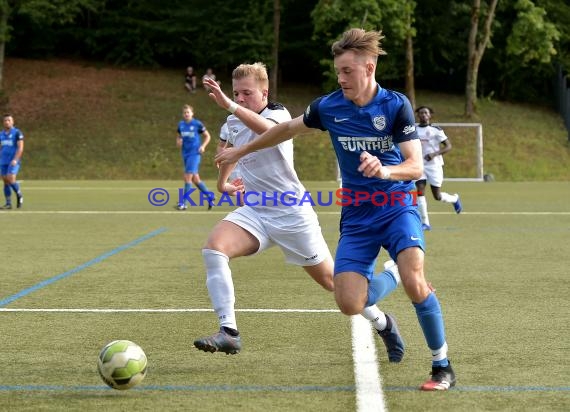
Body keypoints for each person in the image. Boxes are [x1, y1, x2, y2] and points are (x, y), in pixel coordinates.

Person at [215, 29, 456, 391]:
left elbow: (416, 166)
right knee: (348, 302)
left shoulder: (395, 105)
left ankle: (442, 366)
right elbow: (285, 131)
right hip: (357, 216)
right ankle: (391, 274)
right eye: (338, 72)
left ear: (369, 68)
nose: (341, 78)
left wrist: (385, 170)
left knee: (416, 283)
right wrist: (238, 152)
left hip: (395, 206)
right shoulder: (328, 106)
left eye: (347, 71)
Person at [194, 63, 404, 364]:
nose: (240, 99)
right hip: (255, 209)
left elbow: (269, 133)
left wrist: (227, 104)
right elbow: (226, 149)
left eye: (247, 93)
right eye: (236, 93)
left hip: (292, 213)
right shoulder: (232, 121)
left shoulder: (277, 114)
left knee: (335, 284)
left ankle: (384, 321)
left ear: (264, 92)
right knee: (214, 249)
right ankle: (229, 331)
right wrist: (222, 183)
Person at [414, 106, 462, 231]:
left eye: (426, 113)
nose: (423, 115)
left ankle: (454, 199)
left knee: (437, 196)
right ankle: (425, 223)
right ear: (418, 116)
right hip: (420, 165)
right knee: (419, 191)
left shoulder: (436, 130)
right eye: (421, 113)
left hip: (434, 165)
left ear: (430, 115)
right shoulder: (413, 129)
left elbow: (448, 146)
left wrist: (434, 154)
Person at [176, 104, 214, 210]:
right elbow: (179, 137)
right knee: (196, 179)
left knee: (187, 177)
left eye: (188, 112)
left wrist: (203, 146)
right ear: (183, 114)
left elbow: (208, 136)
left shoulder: (197, 124)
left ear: (192, 113)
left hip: (195, 153)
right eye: (185, 112)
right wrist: (179, 142)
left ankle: (183, 203)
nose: (186, 114)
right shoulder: (181, 124)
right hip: (185, 153)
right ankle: (210, 196)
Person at [0, 114, 24, 209]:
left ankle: (19, 194)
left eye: (9, 120)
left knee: (10, 178)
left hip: (13, 160)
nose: (7, 122)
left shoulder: (17, 133)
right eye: (5, 120)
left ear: (12, 122)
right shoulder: (1, 134)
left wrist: (15, 159)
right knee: (5, 181)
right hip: (3, 161)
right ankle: (8, 203)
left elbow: (20, 148)